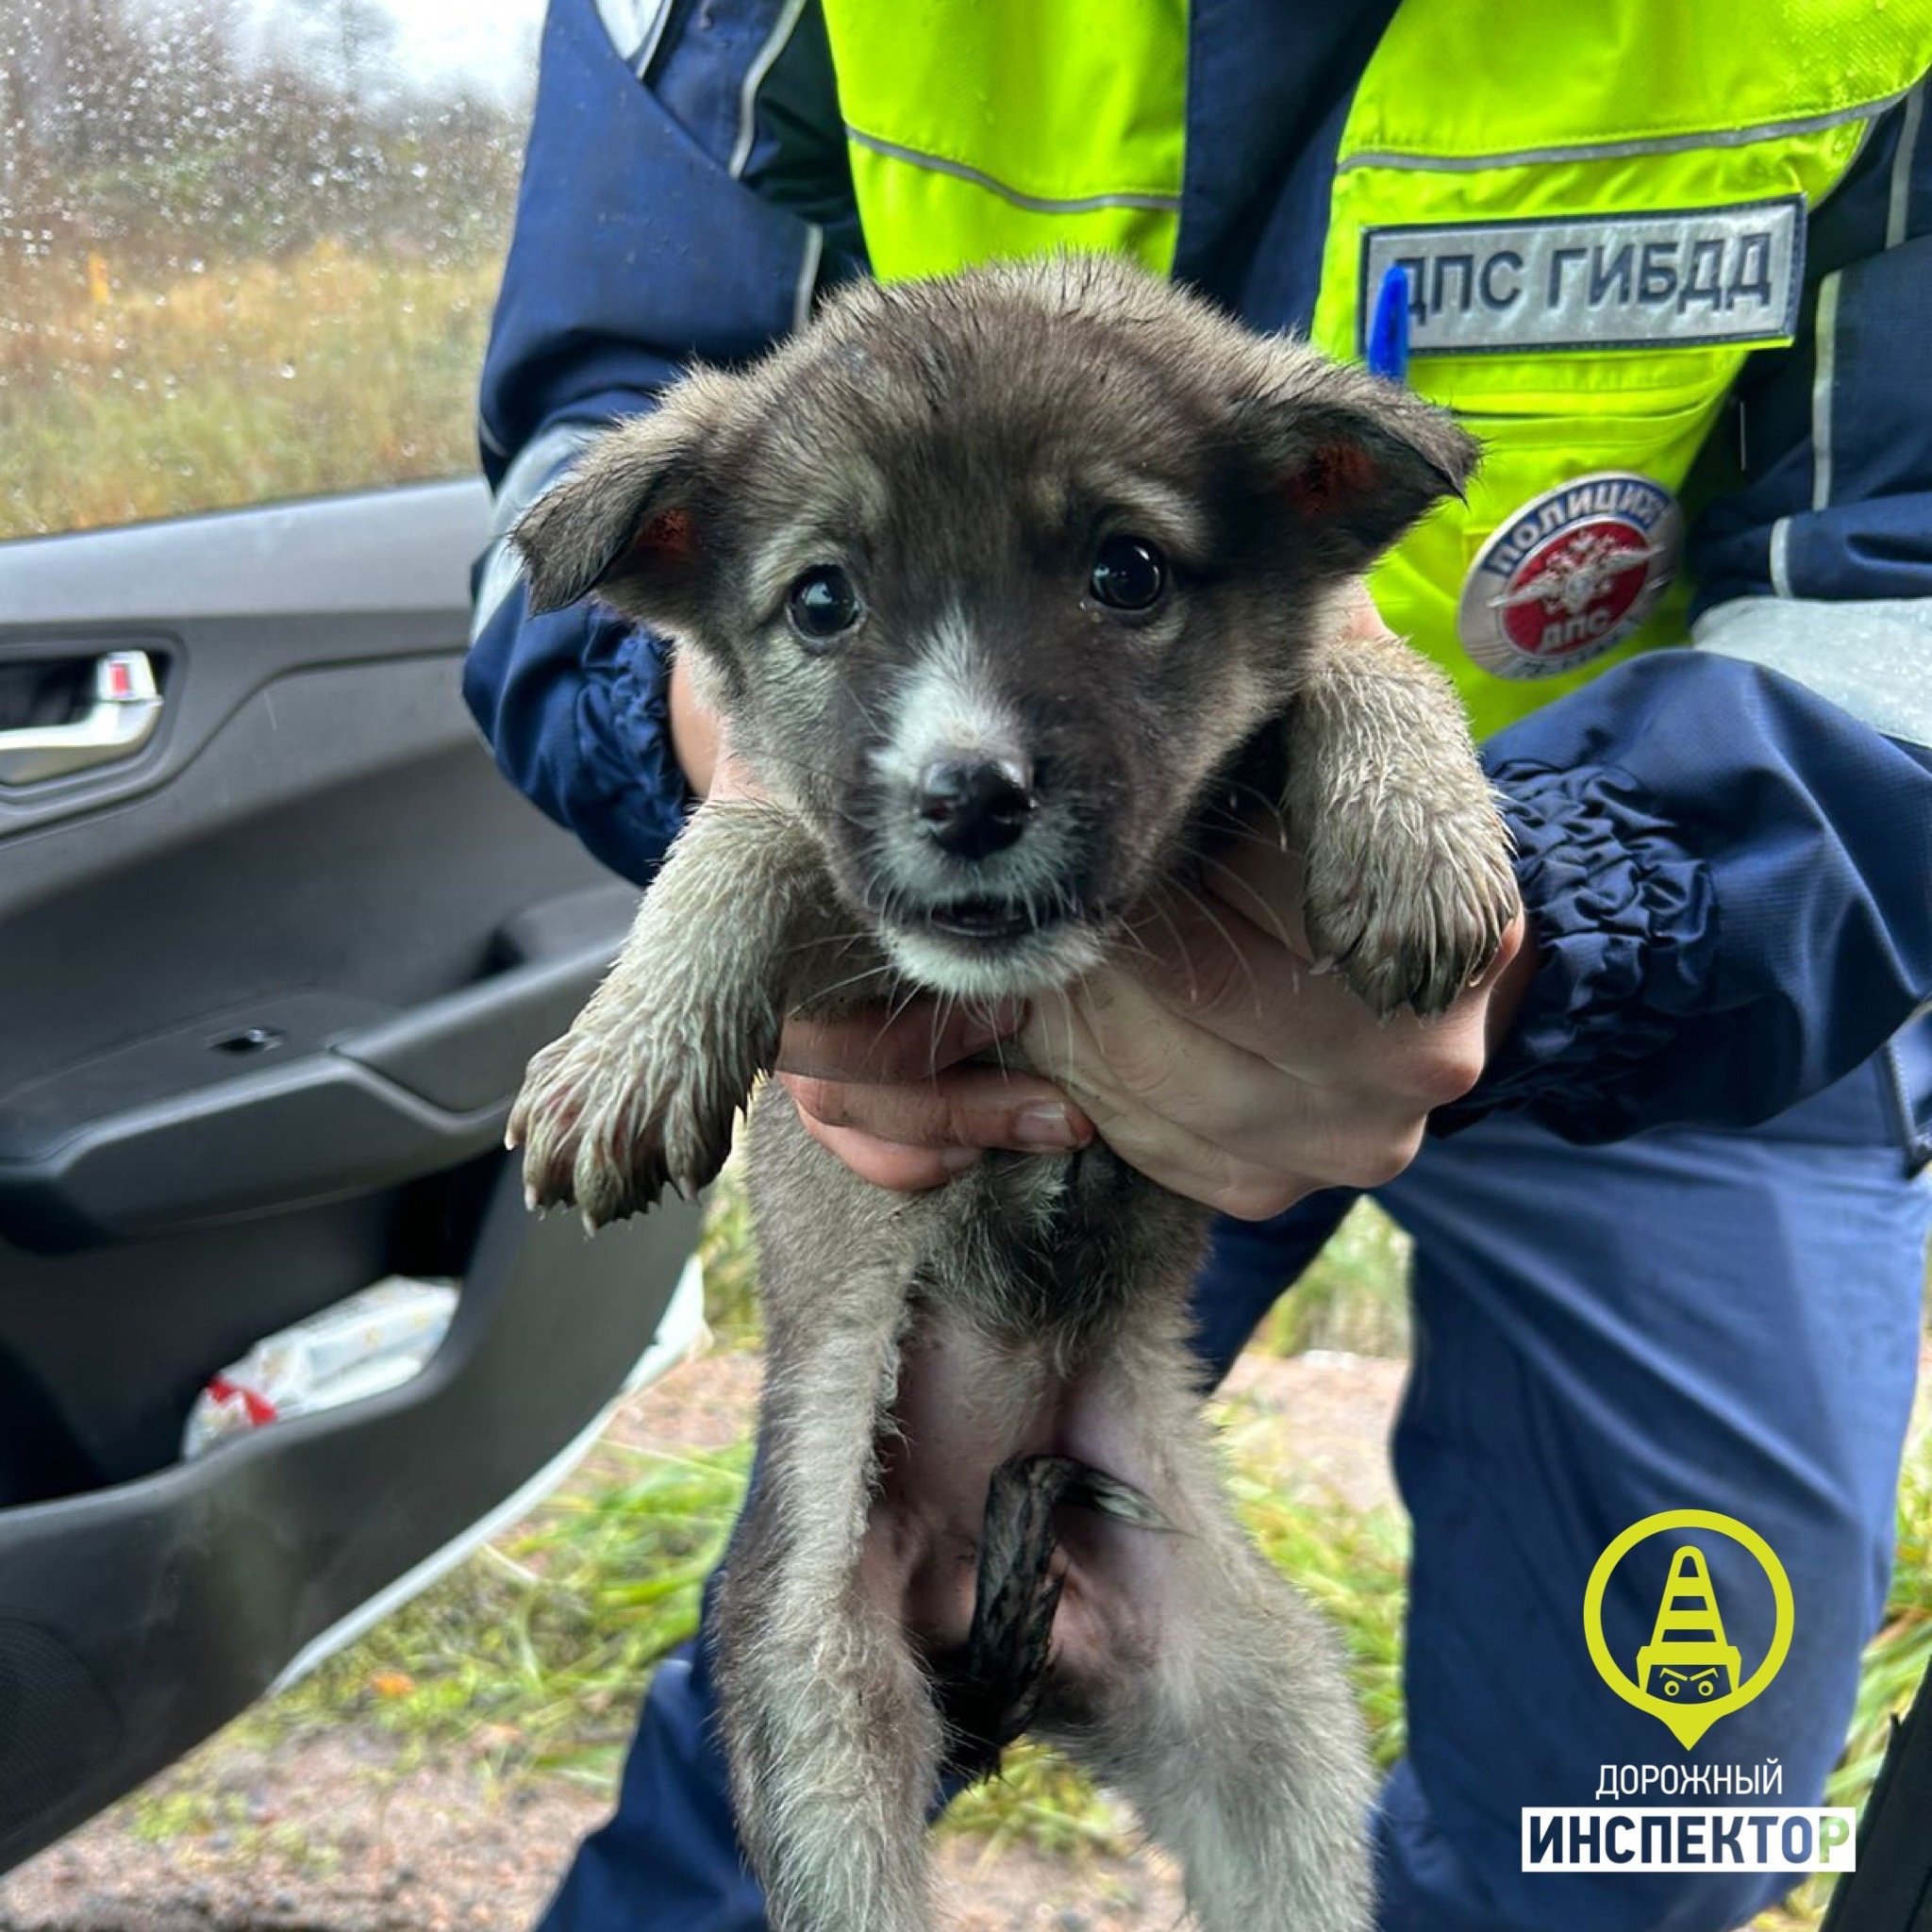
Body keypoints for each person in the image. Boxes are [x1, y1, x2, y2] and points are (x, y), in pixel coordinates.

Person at [463, 4, 1932, 1927]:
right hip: (1014, 992)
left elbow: (1898, 590)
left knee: (1669, 1798)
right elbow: (581, 454)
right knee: (845, 1618)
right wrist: (725, 760)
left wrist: (1592, 905)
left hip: (1699, 959)